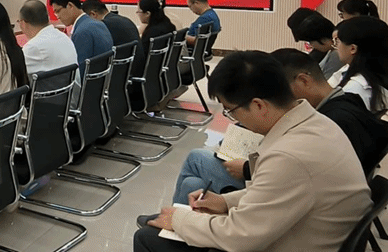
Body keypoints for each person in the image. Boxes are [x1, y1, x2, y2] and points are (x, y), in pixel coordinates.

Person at [134, 51, 371, 252]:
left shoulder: (288, 156)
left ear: (258, 105)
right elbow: (276, 193)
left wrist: (179, 220)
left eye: (231, 110)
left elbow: (239, 237)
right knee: (184, 204)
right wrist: (225, 202)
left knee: (147, 238)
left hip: (292, 242)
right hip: (306, 232)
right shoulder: (318, 123)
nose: (233, 118)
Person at [162, 48, 388, 207]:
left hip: (288, 216)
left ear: (303, 81)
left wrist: (248, 169)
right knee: (193, 184)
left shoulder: (322, 128)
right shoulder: (338, 109)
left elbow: (246, 227)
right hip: (302, 205)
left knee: (196, 160)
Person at [329, 15, 388, 113]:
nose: (336, 47)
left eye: (338, 41)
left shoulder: (354, 90)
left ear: (353, 48)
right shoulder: (376, 77)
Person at [48, 0, 112, 67]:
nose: (57, 16)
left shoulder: (82, 32)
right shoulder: (99, 24)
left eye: (58, 11)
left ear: (70, 5)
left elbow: (80, 69)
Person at [82, 0, 145, 74]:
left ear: (93, 14)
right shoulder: (124, 19)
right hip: (136, 68)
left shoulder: (104, 25)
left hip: (123, 72)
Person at [17, 0, 77, 76]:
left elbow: (13, 73)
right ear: (47, 18)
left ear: (23, 23)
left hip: (53, 84)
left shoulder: (33, 47)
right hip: (72, 84)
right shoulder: (64, 37)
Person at [291, 12, 342, 79]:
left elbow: (326, 81)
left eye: (311, 42)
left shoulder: (336, 55)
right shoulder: (332, 52)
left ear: (323, 40)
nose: (311, 45)